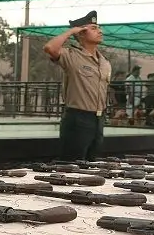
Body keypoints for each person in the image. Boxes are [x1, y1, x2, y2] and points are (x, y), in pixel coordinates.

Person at [42, 10, 112, 161]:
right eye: (94, 28)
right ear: (81, 33)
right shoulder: (71, 56)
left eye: (99, 28)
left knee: (93, 165)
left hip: (99, 119)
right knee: (72, 165)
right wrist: (73, 30)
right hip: (78, 119)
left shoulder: (105, 63)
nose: (100, 31)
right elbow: (50, 48)